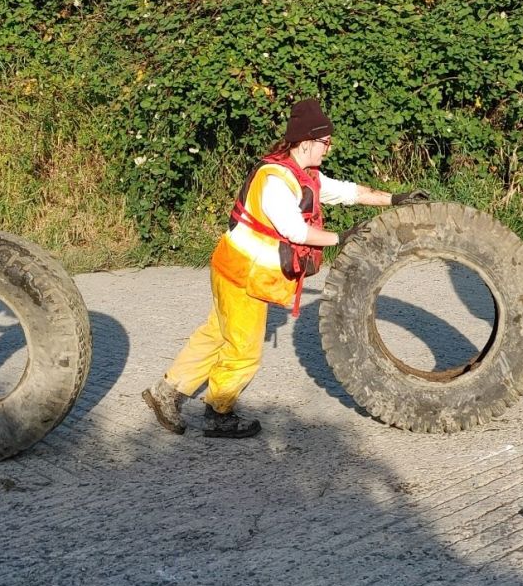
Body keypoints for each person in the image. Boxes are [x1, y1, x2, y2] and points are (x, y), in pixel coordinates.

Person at [142, 97, 429, 439]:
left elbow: (346, 192)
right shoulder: (275, 180)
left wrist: (394, 199)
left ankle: (166, 392)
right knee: (244, 351)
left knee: (217, 334)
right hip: (244, 275)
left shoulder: (300, 172)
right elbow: (295, 231)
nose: (329, 148)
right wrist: (342, 236)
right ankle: (219, 414)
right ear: (307, 142)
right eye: (326, 143)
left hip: (233, 266)